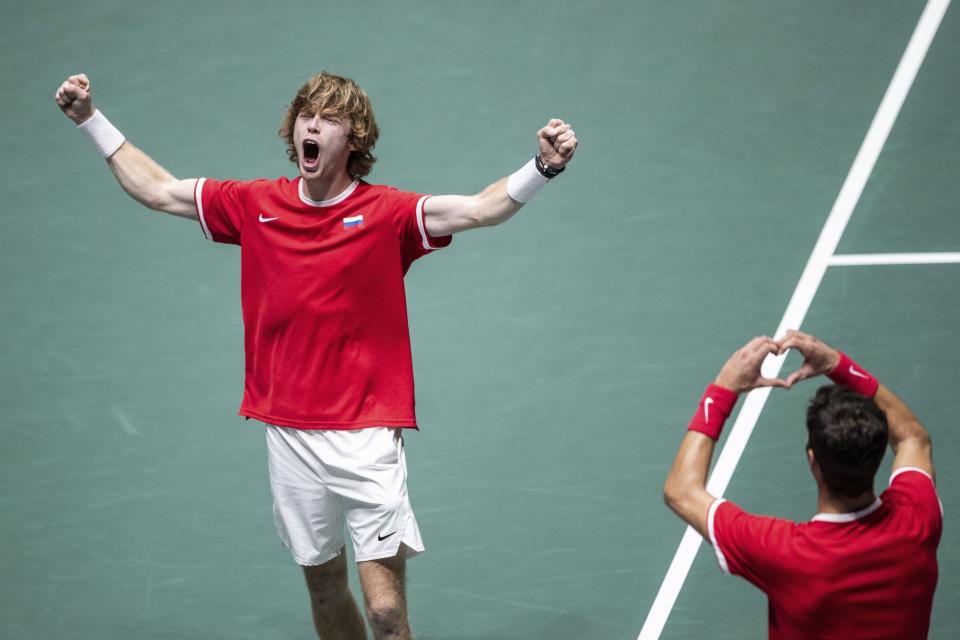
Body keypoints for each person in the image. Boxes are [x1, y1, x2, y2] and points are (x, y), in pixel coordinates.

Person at [55, 72, 577, 640]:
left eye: (328, 119)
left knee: (383, 610)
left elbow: (481, 209)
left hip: (367, 432)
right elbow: (158, 189)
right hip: (287, 432)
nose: (312, 125)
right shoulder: (253, 204)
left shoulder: (388, 213)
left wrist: (542, 167)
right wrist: (89, 120)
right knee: (325, 587)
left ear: (353, 139)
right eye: (306, 115)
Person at [664, 330, 941, 639]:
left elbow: (681, 491)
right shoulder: (919, 518)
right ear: (877, 456)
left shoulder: (784, 552)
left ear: (812, 461)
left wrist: (724, 387)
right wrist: (837, 363)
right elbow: (912, 436)